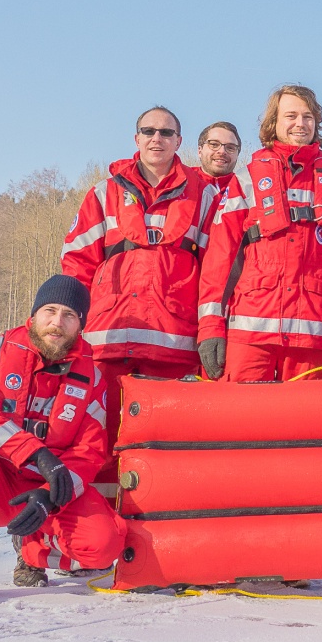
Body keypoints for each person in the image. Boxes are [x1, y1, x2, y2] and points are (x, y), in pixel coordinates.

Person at [0, 275, 126, 605]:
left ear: (81, 323)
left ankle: (34, 549)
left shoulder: (91, 375)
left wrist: (51, 496)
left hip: (52, 489)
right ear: (34, 314)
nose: (57, 322)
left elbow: (90, 450)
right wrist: (36, 453)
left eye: (69, 315)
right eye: (49, 311)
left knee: (102, 548)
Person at [61, 106, 218, 484]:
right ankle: (95, 533)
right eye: (149, 131)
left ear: (179, 141)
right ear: (136, 139)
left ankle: (152, 536)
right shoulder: (104, 193)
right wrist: (70, 328)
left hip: (174, 348)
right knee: (98, 444)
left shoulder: (204, 195)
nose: (157, 138)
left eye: (166, 133)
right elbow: (77, 264)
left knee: (162, 452)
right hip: (107, 343)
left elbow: (218, 270)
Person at [197, 85, 322, 382]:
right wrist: (210, 327)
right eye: (290, 115)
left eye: (308, 116)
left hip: (312, 337)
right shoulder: (247, 179)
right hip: (249, 334)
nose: (300, 124)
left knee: (305, 427)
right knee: (239, 424)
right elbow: (219, 260)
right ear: (273, 123)